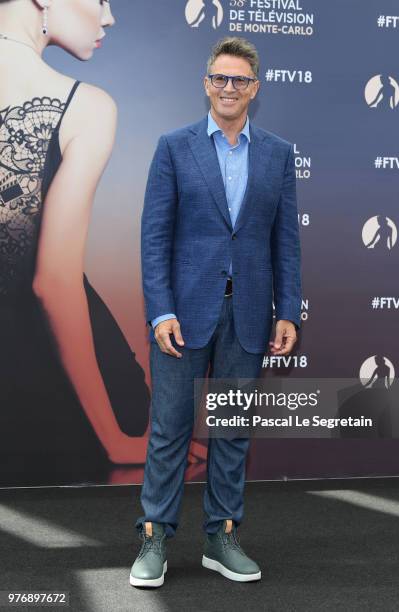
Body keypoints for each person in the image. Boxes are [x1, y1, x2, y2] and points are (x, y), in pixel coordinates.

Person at [131, 36, 302, 587]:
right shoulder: (174, 147)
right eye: (220, 78)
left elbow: (286, 242)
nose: (229, 88)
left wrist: (288, 311)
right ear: (207, 84)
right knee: (170, 429)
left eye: (240, 80)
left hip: (250, 314)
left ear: (255, 88)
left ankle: (220, 536)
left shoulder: (277, 153)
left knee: (231, 430)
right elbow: (154, 236)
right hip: (182, 316)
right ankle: (154, 539)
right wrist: (160, 312)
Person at [0, 0, 149, 487]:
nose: (109, 17)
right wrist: (112, 438)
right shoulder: (83, 105)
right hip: (33, 380)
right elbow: (53, 282)